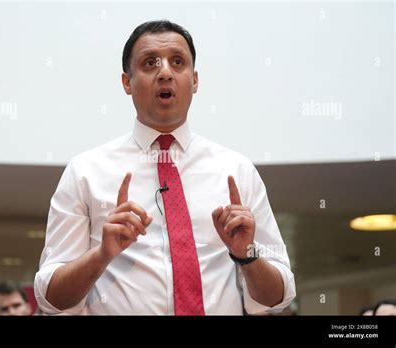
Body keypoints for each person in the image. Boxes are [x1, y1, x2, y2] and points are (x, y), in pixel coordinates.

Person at [34, 20, 296, 315]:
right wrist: (101, 255)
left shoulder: (237, 170)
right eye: (149, 63)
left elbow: (277, 298)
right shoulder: (85, 171)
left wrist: (247, 255)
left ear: (195, 80)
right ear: (126, 82)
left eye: (178, 62)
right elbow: (52, 299)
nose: (165, 72)